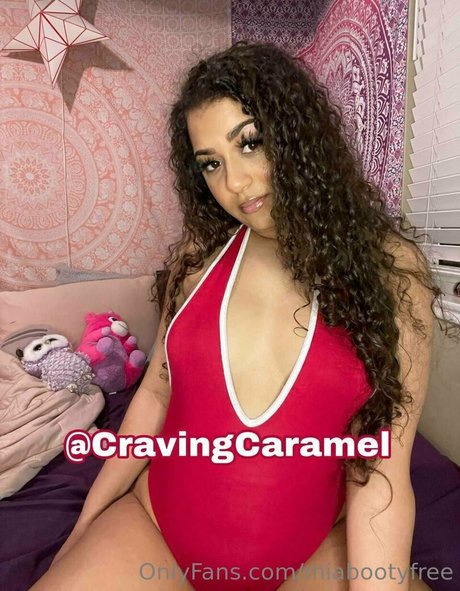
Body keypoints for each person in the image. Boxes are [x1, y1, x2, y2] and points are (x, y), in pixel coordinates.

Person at [30, 41, 448, 591]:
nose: (235, 184)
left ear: (299, 135)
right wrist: (87, 523)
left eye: (250, 143)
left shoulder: (392, 273)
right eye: (212, 163)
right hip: (158, 530)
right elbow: (156, 393)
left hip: (308, 557)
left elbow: (381, 470)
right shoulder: (198, 257)